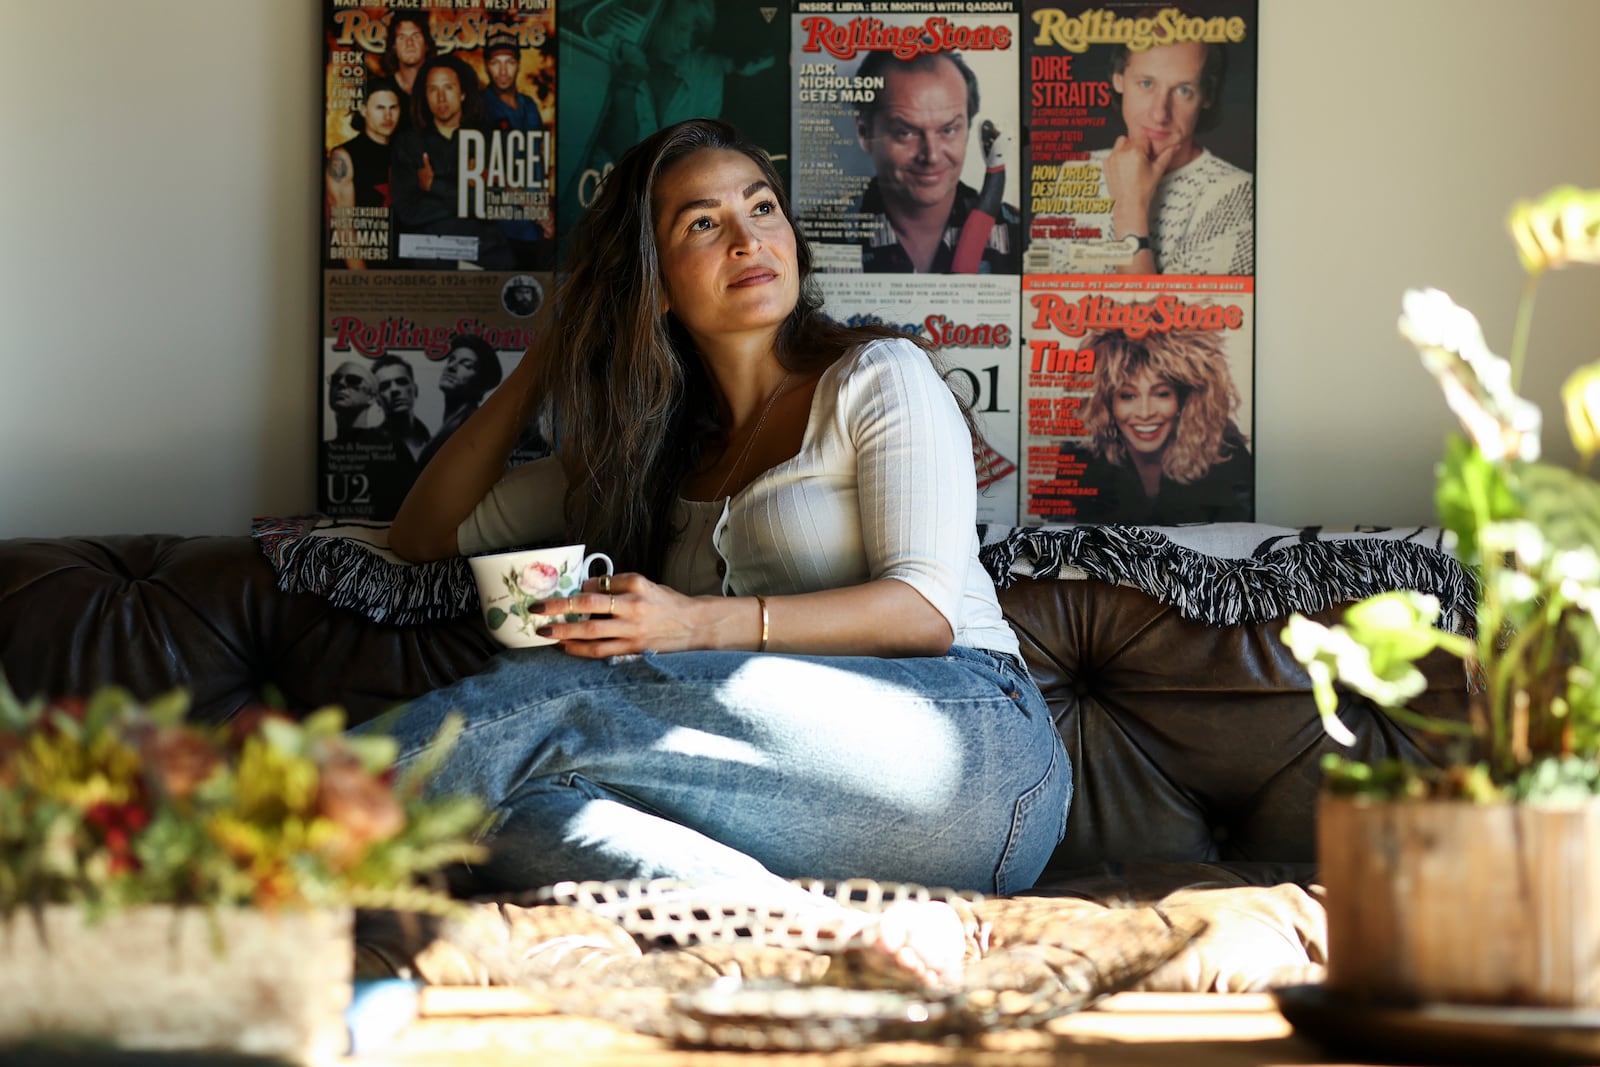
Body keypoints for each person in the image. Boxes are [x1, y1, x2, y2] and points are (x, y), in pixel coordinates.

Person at [366, 119, 1069, 978]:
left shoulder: (878, 376)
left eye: (762, 207)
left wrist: (690, 623)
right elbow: (424, 532)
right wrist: (544, 354)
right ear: (654, 286)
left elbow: (920, 613)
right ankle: (831, 938)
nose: (748, 238)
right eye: (702, 223)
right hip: (810, 821)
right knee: (508, 810)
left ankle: (256, 806)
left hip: (975, 757)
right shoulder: (647, 458)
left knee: (561, 700)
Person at [1091, 27, 1253, 275]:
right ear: (1118, 79)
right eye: (1146, 83)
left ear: (1206, 97)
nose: (1159, 114)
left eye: (1183, 91)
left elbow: (1152, 313)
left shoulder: (1237, 196)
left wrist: (1130, 207)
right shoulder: (1073, 173)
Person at [851, 51, 1019, 274]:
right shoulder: (810, 235)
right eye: (905, 133)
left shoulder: (1018, 231)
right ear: (864, 134)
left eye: (948, 130)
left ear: (968, 131)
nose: (931, 157)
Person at [1071, 326, 1253, 524]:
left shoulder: (1225, 454)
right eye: (1127, 396)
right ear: (1106, 402)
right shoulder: (1081, 456)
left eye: (1161, 394)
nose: (1145, 412)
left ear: (1183, 399)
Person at [390, 55, 514, 269]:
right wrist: (467, 197)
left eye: (448, 87)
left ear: (463, 93)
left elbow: (492, 205)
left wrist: (433, 186)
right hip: (429, 257)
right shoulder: (409, 143)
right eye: (432, 90)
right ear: (425, 96)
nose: (441, 98)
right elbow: (407, 211)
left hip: (484, 254)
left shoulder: (486, 140)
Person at [325, 78, 401, 269]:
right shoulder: (343, 157)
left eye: (393, 108)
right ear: (364, 110)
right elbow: (343, 229)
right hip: (362, 267)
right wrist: (362, 279)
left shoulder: (405, 151)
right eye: (380, 108)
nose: (388, 116)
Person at [414, 334, 504, 469]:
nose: (451, 366)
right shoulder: (452, 424)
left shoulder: (472, 427)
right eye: (451, 359)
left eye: (467, 365)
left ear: (480, 384)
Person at [378, 12, 434, 131]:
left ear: (426, 44)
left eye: (416, 36)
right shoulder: (380, 89)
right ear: (393, 47)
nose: (409, 43)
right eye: (402, 37)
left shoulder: (440, 89)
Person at [372, 353, 430, 461]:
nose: (394, 390)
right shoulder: (371, 447)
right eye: (385, 386)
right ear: (377, 399)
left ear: (415, 390)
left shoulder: (433, 443)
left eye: (401, 382)